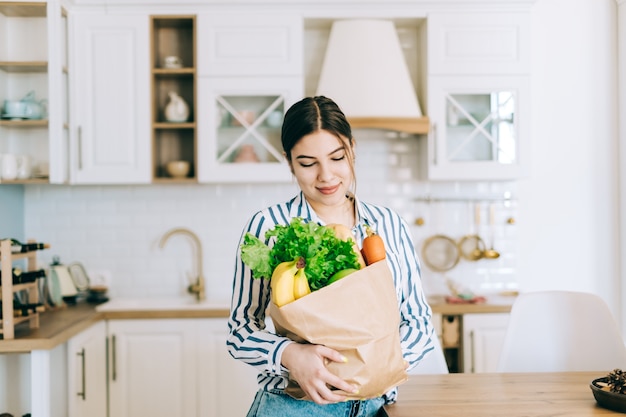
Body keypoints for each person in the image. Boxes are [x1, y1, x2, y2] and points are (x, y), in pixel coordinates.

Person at [227, 96, 435, 417]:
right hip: (294, 407)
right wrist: (290, 354)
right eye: (308, 163)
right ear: (290, 162)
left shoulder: (387, 224)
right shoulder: (269, 226)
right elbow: (241, 330)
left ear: (352, 149)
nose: (326, 176)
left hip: (376, 407)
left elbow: (419, 322)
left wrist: (374, 363)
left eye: (337, 157)